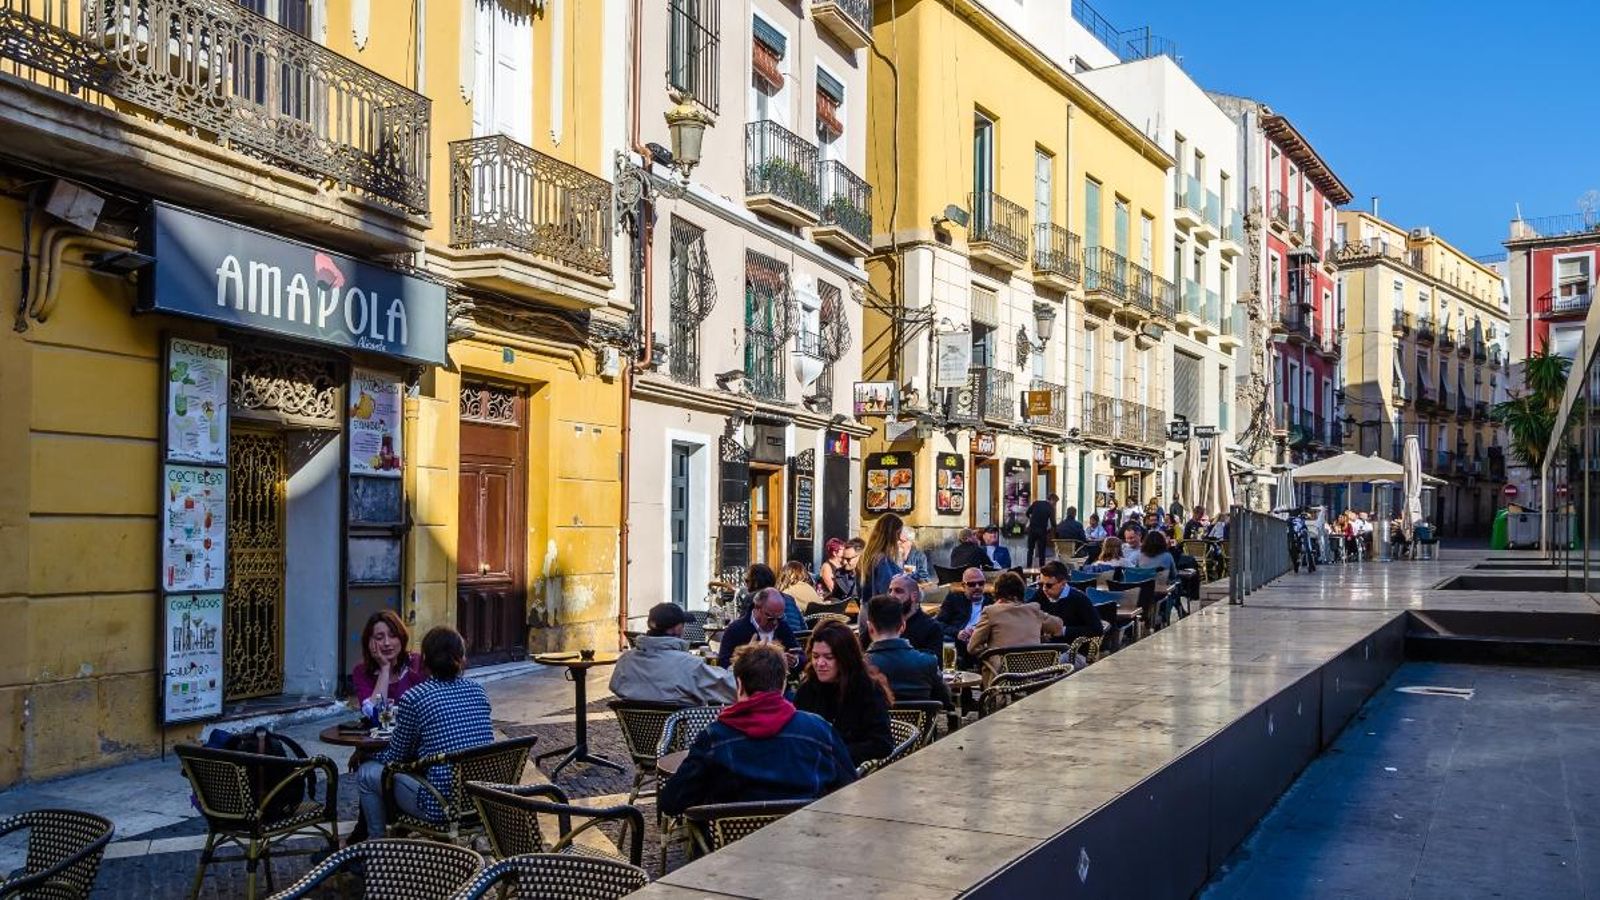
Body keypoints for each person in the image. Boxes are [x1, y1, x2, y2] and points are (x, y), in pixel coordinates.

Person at [658, 643, 856, 816]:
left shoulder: (715, 737)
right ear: (782, 684)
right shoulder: (818, 729)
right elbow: (849, 790)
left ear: (739, 684)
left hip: (730, 850)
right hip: (805, 846)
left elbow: (671, 802)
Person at [357, 627, 492, 839]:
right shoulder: (478, 690)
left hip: (440, 804)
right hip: (483, 798)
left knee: (366, 773)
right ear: (462, 658)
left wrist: (367, 754)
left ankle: (376, 849)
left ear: (425, 660)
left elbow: (395, 758)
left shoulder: (416, 697)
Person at [793, 621, 895, 767]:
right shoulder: (808, 688)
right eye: (815, 656)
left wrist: (835, 753)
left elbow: (882, 744)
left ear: (845, 658)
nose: (820, 663)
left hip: (850, 771)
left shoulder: (867, 690)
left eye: (829, 657)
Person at [610, 603, 736, 706]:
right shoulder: (689, 665)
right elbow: (734, 690)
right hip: (684, 732)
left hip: (639, 734)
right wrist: (738, 663)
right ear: (678, 628)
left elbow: (615, 687)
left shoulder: (625, 661)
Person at [864, 594, 953, 706]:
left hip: (877, 723)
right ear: (903, 626)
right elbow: (944, 699)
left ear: (870, 627)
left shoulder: (858, 666)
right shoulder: (927, 661)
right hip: (919, 722)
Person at [967, 572, 1063, 675]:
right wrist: (1042, 635)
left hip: (1003, 677)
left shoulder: (991, 612)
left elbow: (972, 647)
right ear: (1022, 591)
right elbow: (1058, 626)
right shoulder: (1033, 610)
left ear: (997, 592)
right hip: (1033, 676)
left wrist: (990, 651)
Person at [351, 610, 425, 722]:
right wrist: (384, 668)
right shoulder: (361, 671)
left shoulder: (417, 662)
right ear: (369, 642)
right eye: (379, 638)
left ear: (401, 637)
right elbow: (374, 716)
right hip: (380, 737)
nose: (387, 643)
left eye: (393, 636)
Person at [717, 588, 802, 668]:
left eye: (780, 617)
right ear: (757, 608)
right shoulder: (736, 629)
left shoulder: (782, 627)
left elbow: (801, 655)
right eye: (770, 618)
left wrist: (794, 661)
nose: (775, 622)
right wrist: (746, 658)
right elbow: (723, 664)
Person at [1030, 561, 1106, 645]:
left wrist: (1063, 631)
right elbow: (1027, 612)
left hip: (1073, 651)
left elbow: (1097, 630)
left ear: (1063, 583)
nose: (1044, 589)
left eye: (1049, 585)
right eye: (1041, 584)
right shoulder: (1040, 594)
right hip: (1047, 649)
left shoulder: (1079, 599)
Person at [869, 573, 944, 656]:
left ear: (914, 596)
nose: (892, 595)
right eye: (890, 591)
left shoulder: (931, 628)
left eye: (898, 591)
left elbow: (933, 664)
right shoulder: (881, 622)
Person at [937, 566, 990, 668]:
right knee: (946, 642)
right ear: (963, 585)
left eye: (981, 583)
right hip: (959, 642)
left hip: (982, 641)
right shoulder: (954, 599)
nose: (977, 587)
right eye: (972, 584)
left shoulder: (991, 600)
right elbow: (938, 623)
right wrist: (958, 632)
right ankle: (951, 676)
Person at [744, 563, 804, 634]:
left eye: (747, 581)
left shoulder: (752, 598)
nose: (745, 585)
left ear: (756, 582)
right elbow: (804, 628)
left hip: (772, 642)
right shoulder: (789, 598)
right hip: (797, 641)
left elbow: (743, 628)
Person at [861, 514, 906, 601]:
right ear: (893, 535)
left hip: (868, 608)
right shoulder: (882, 560)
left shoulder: (868, 556)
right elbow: (887, 590)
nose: (901, 539)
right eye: (899, 534)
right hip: (882, 611)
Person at [1025, 492, 1058, 567]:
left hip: (1032, 530)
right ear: (1052, 500)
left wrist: (1032, 519)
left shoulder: (1036, 503)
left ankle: (1028, 567)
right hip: (1042, 531)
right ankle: (1041, 568)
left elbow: (1027, 513)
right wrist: (1056, 531)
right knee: (1041, 552)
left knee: (1030, 550)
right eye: (1055, 502)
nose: (1055, 505)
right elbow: (1053, 522)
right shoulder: (1050, 508)